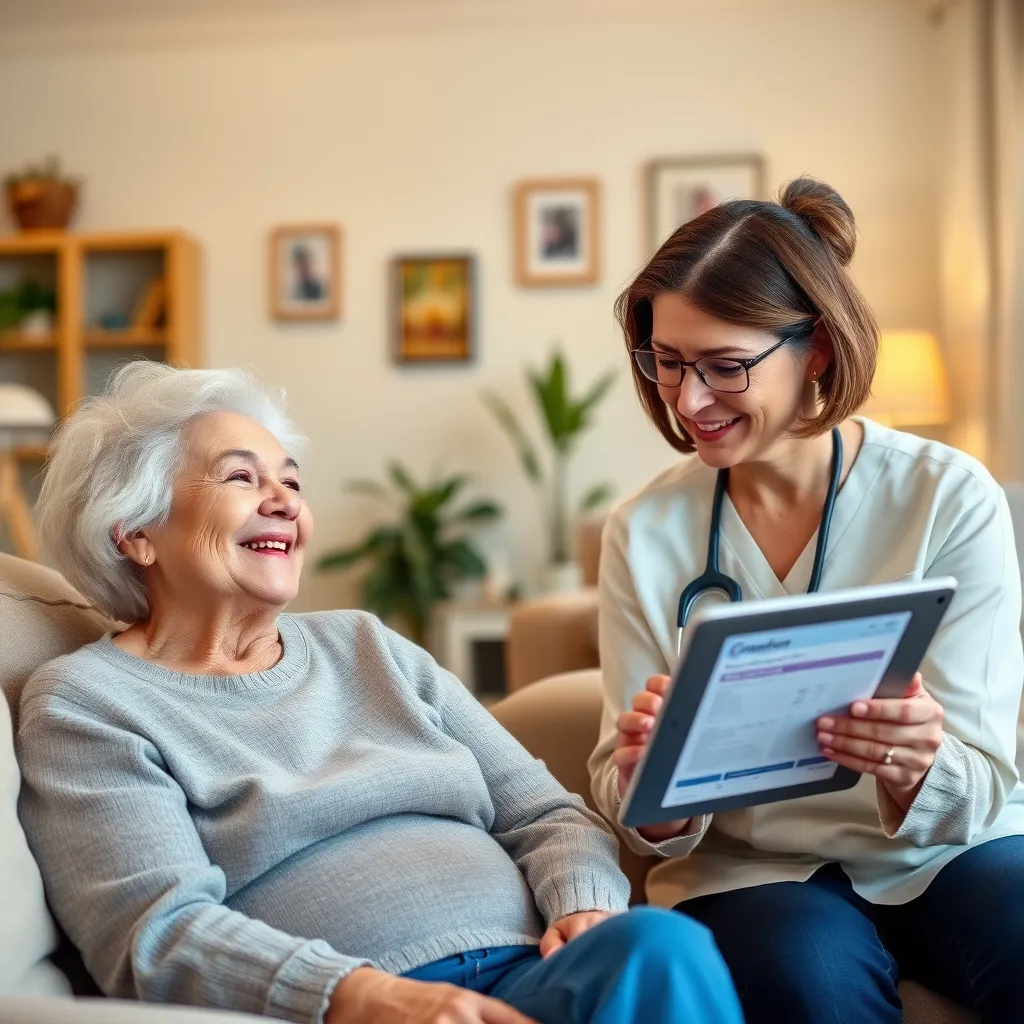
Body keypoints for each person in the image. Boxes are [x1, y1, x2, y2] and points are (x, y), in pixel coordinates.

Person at [16, 361, 743, 1024]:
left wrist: (585, 905)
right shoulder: (89, 704)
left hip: (538, 975)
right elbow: (159, 934)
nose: (283, 502)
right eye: (241, 478)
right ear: (135, 533)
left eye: (292, 482)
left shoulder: (366, 646)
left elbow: (547, 813)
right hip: (355, 1008)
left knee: (661, 948)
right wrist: (364, 996)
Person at [588, 176, 1024, 1023]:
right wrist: (652, 790)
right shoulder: (643, 532)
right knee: (806, 976)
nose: (687, 401)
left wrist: (918, 761)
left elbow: (984, 780)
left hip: (951, 854)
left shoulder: (947, 497)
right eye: (667, 363)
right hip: (754, 873)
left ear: (817, 348)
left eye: (724, 366)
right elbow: (619, 783)